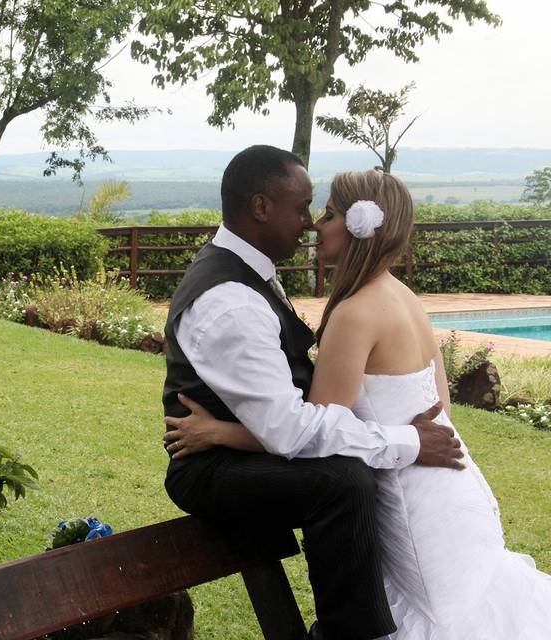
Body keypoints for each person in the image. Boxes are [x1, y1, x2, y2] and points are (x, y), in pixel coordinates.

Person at [164, 164, 551, 639]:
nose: (314, 224)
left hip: (409, 497)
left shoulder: (352, 313)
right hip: (454, 489)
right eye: (310, 210)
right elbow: (441, 411)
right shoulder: (405, 298)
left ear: (356, 227)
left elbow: (313, 430)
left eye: (325, 213)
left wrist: (221, 432)